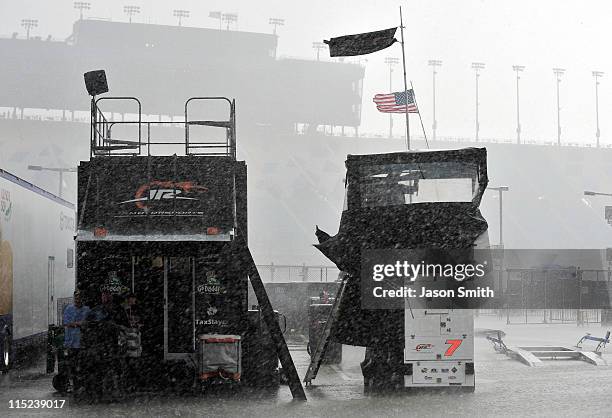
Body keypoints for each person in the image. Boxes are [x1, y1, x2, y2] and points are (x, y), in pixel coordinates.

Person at [61, 290, 90, 391]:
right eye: (76, 297)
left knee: (81, 365)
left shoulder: (87, 310)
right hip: (71, 343)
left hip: (82, 343)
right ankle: (71, 383)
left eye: (80, 297)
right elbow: (66, 323)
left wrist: (76, 324)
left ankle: (81, 383)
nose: (78, 299)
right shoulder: (69, 309)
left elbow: (88, 323)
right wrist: (79, 324)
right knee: (70, 365)